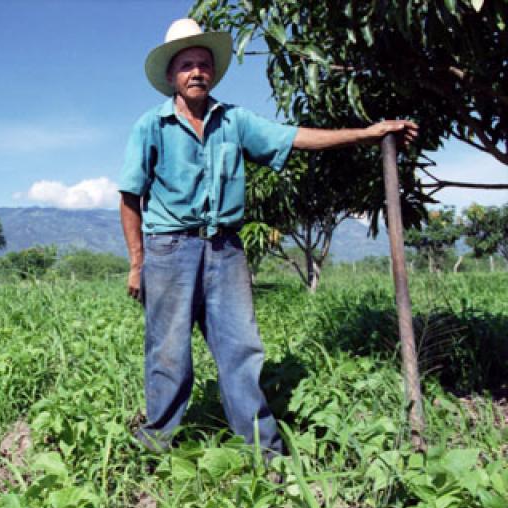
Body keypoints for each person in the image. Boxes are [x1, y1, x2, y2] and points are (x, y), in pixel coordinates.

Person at [119, 18, 417, 454]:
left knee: (241, 349)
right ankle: (155, 445)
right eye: (187, 65)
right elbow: (130, 197)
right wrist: (136, 262)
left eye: (203, 64)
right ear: (171, 76)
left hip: (225, 249)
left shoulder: (234, 121)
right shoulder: (151, 126)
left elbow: (295, 138)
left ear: (212, 72)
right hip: (170, 248)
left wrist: (367, 134)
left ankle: (265, 452)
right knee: (168, 354)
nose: (196, 72)